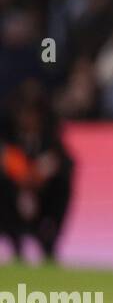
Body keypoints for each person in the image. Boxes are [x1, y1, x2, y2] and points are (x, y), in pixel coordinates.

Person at [0, 81, 74, 265]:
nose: (28, 119)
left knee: (62, 185)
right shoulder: (10, 140)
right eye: (24, 114)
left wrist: (39, 177)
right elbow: (10, 163)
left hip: (43, 196)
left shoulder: (51, 141)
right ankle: (14, 241)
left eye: (33, 114)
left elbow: (64, 163)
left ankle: (48, 241)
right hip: (12, 195)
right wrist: (22, 181)